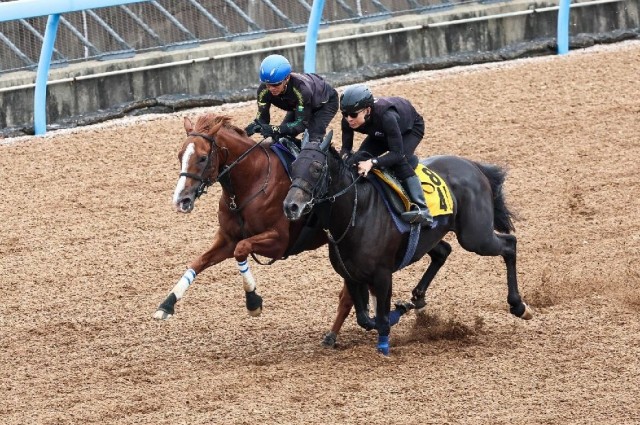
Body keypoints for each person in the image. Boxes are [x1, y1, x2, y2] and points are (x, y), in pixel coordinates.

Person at [339, 84, 433, 225]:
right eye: (344, 114)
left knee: (399, 162)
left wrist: (372, 162)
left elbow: (397, 154)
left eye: (353, 115)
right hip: (381, 133)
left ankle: (422, 209)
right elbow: (346, 149)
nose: (349, 119)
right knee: (359, 157)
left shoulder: (387, 116)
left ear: (368, 110)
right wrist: (344, 159)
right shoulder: (348, 120)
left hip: (410, 130)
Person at [244, 54, 339, 146]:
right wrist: (250, 129)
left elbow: (301, 124)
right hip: (298, 105)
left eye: (276, 84)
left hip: (325, 103)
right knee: (279, 138)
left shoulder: (302, 90)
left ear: (287, 78)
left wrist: (275, 129)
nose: (271, 88)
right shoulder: (263, 90)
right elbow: (262, 118)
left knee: (312, 139)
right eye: (267, 84)